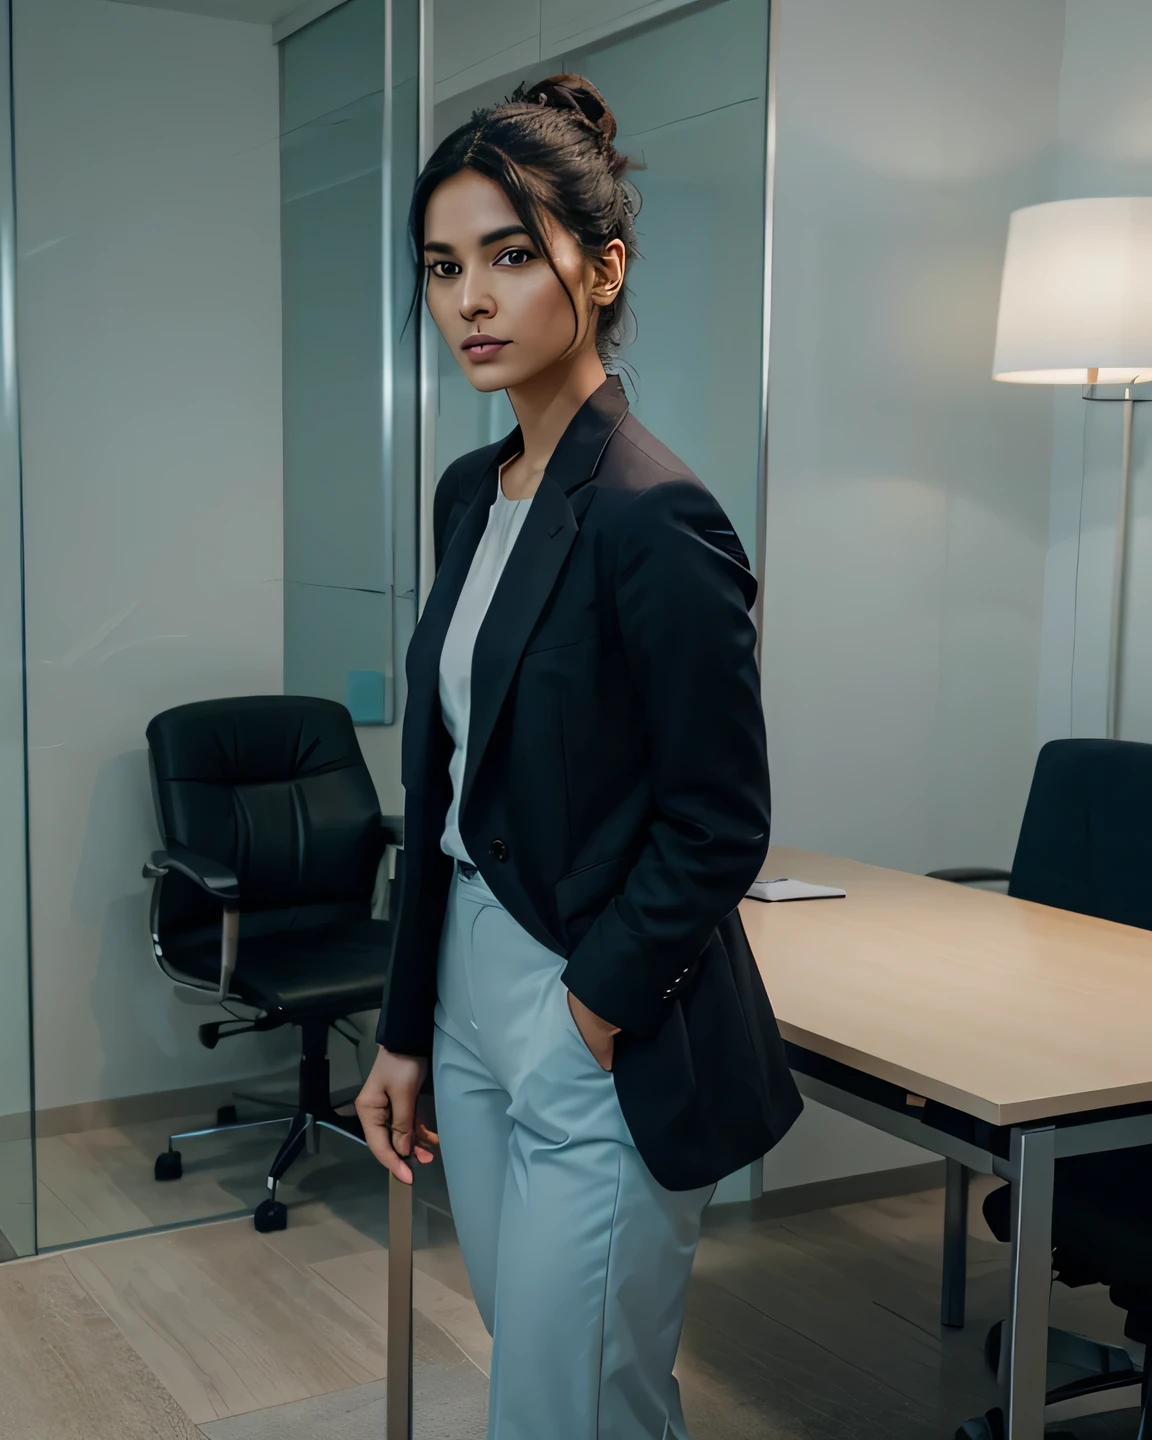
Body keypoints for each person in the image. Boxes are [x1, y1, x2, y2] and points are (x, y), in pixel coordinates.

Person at [355, 73, 801, 1439]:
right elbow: (445, 787)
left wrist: (590, 1015)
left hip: (591, 999)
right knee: (558, 1373)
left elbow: (721, 819)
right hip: (470, 985)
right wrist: (406, 1021)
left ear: (602, 272)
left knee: (567, 1402)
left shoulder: (656, 515)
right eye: (444, 268)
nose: (469, 302)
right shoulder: (466, 494)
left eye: (509, 256)